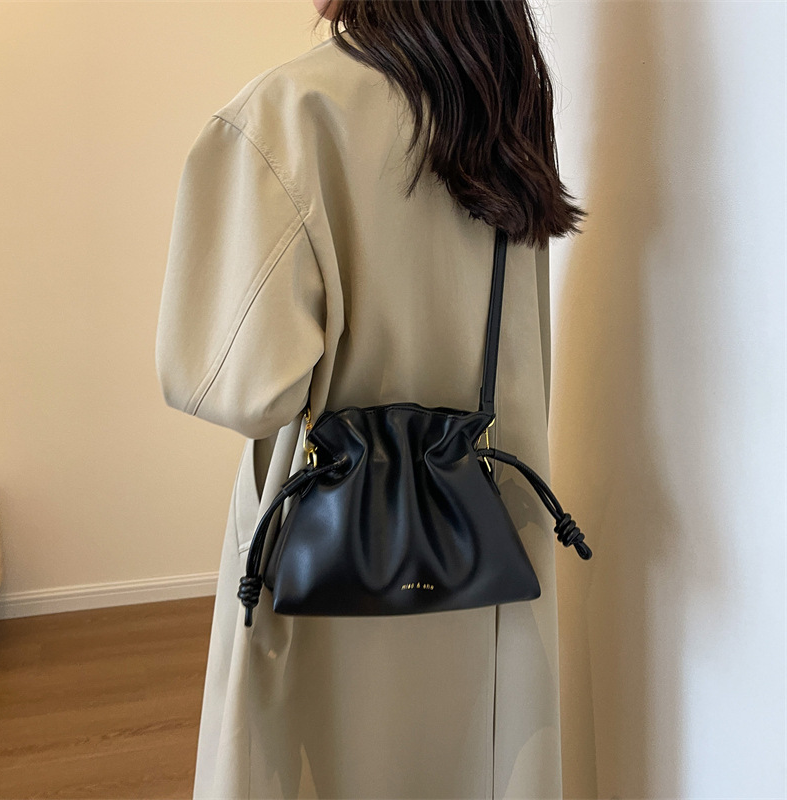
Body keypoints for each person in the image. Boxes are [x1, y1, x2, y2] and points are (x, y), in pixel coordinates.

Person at [155, 1, 587, 797]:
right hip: (488, 524)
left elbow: (243, 388)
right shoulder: (505, 108)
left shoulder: (288, 113)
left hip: (328, 545)